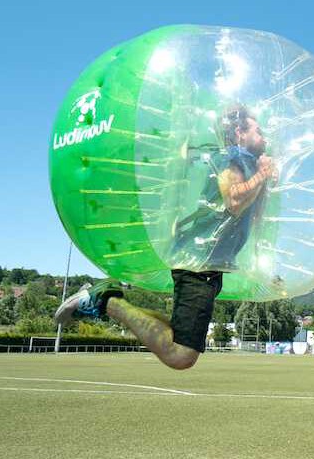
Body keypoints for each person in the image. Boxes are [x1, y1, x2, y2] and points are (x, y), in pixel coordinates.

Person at [54, 103, 277, 370]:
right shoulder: (232, 158)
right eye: (258, 130)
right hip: (198, 262)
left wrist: (267, 180)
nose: (265, 137)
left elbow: (252, 216)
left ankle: (108, 299)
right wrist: (263, 174)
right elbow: (234, 199)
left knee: (178, 338)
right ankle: (105, 301)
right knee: (181, 354)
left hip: (209, 264)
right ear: (240, 133)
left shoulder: (248, 162)